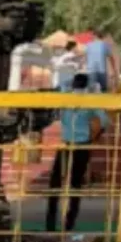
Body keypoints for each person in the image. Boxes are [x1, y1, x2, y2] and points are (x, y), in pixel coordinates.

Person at [46, 73, 108, 233]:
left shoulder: (69, 97)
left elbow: (60, 83)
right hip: (76, 145)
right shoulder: (88, 100)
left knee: (63, 185)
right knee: (68, 184)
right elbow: (105, 121)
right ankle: (61, 224)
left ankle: (58, 224)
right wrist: (97, 135)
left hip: (73, 145)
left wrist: (71, 83)